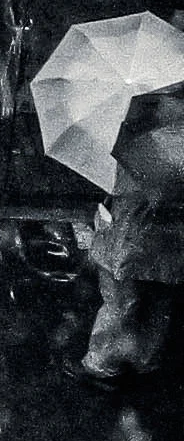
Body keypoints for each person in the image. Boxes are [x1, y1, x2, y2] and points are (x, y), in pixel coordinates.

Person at [78, 161, 184, 386]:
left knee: (120, 302)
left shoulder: (141, 151)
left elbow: (124, 197)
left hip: (130, 239)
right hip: (172, 246)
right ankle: (145, 359)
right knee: (159, 301)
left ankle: (103, 362)